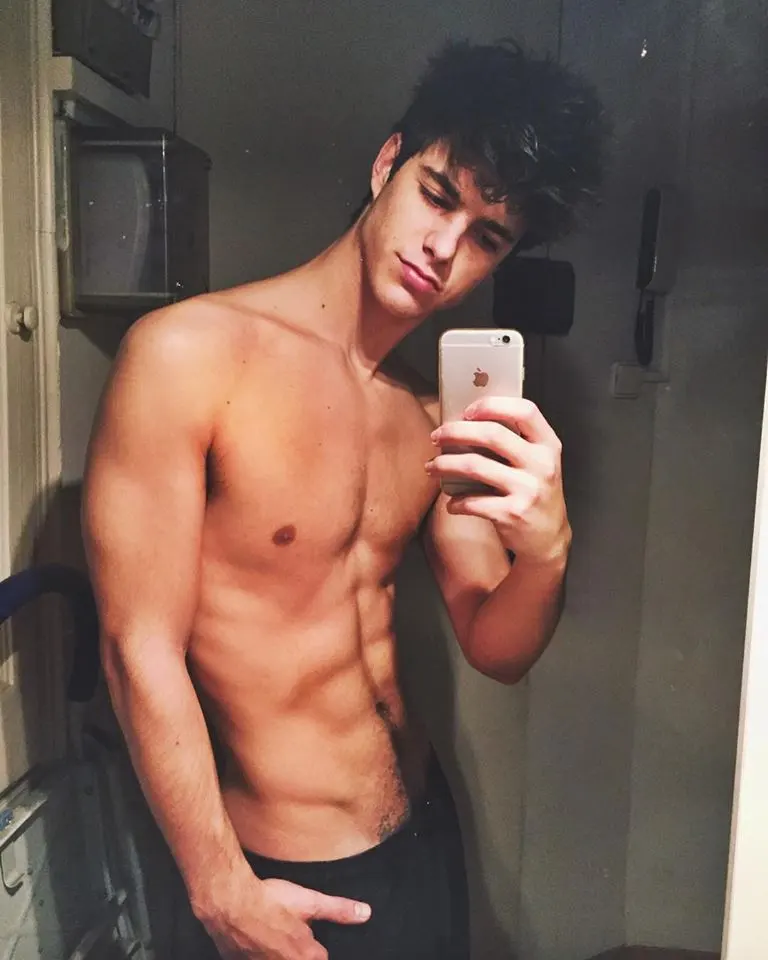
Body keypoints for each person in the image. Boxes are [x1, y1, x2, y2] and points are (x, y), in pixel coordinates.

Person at [82, 38, 606, 960]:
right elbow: (138, 647)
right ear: (386, 164)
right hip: (289, 877)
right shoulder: (190, 357)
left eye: (487, 238)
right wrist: (219, 888)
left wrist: (547, 552)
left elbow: (497, 647)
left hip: (425, 837)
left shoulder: (430, 414)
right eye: (437, 195)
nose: (444, 249)